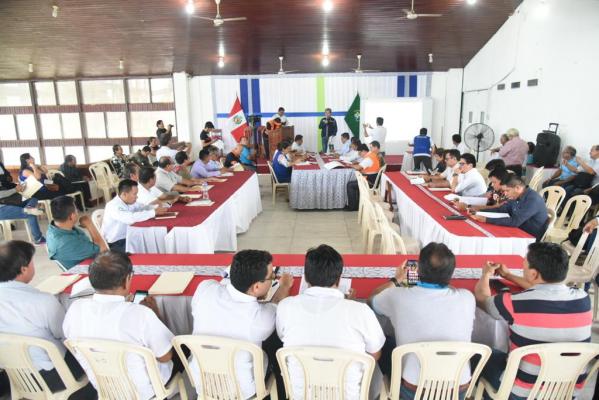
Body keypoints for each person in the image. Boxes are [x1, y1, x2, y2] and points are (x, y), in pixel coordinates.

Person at [474, 242, 591, 399]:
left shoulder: (516, 302)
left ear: (534, 274)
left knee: (479, 354)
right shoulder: (583, 298)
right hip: (566, 390)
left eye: (525, 264)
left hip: (523, 392)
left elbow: (482, 299)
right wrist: (508, 275)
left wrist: (486, 274)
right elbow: (542, 286)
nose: (523, 267)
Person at [63, 251, 181, 400]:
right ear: (127, 280)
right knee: (181, 350)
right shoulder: (141, 314)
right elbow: (165, 357)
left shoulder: (75, 309)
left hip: (103, 386)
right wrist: (156, 315)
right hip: (144, 392)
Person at [276, 245, 385, 400]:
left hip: (301, 395)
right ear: (339, 279)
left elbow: (282, 336)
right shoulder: (360, 311)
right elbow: (375, 354)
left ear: (306, 277)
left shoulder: (286, 307)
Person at [368, 243, 475, 400]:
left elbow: (372, 300)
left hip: (414, 390)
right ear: (451, 273)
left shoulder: (397, 296)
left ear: (418, 269)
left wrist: (397, 280)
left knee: (382, 341)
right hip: (458, 390)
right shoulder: (467, 298)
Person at [190, 250, 293, 398]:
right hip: (241, 390)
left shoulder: (204, 288)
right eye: (271, 277)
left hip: (202, 381)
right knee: (274, 347)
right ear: (256, 287)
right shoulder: (260, 319)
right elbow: (277, 305)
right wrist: (284, 286)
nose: (273, 279)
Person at [0, 240, 87, 394]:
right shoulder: (42, 301)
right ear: (24, 269)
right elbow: (66, 335)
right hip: (52, 375)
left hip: (13, 373)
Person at [471, 175, 548, 239]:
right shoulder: (517, 195)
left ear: (517, 188)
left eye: (507, 191)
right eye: (504, 191)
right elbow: (502, 209)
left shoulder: (533, 199)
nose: (505, 194)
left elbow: (515, 222)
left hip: (529, 237)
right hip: (517, 230)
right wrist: (479, 211)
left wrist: (486, 219)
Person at [101, 179, 167, 252]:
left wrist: (156, 208)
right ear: (124, 194)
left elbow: (142, 208)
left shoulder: (128, 202)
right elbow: (130, 218)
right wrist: (153, 212)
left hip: (129, 236)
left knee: (152, 239)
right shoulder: (113, 206)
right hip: (116, 243)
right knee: (148, 246)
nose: (137, 197)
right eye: (135, 194)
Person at [47, 196, 107, 269]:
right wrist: (90, 224)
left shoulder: (56, 227)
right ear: (71, 216)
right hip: (90, 269)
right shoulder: (65, 242)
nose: (78, 212)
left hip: (87, 255)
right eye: (76, 210)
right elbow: (104, 250)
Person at [0, 176, 46, 245]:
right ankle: (38, 238)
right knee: (31, 215)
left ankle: (29, 208)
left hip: (8, 202)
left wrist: (20, 187)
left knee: (33, 199)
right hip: (2, 209)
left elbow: (6, 187)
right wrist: (15, 189)